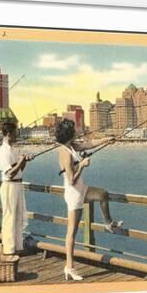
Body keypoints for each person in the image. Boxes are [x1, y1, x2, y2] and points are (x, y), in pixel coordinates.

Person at [57, 118, 123, 281]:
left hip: (81, 189)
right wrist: (82, 165)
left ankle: (108, 223)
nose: (76, 132)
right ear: (69, 133)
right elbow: (71, 178)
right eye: (73, 130)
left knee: (102, 194)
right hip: (74, 193)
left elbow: (90, 143)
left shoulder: (71, 146)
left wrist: (108, 139)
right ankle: (69, 267)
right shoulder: (64, 152)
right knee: (72, 232)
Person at [0, 122, 33, 255]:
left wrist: (24, 162)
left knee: (18, 217)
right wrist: (19, 162)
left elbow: (19, 170)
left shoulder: (13, 149)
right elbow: (9, 172)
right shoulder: (3, 152)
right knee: (9, 218)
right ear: (8, 134)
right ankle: (8, 249)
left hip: (17, 184)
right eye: (15, 133)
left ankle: (18, 247)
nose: (16, 135)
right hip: (9, 186)